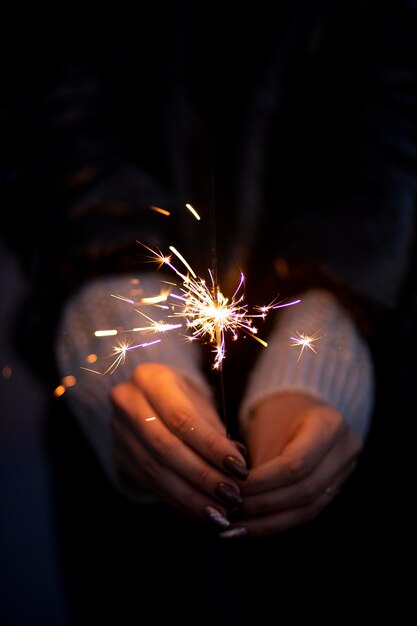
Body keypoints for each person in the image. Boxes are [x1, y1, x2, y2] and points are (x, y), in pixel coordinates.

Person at [2, 2, 416, 623]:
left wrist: (330, 331)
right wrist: (112, 306)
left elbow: (399, 91)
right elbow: (31, 79)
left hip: (378, 442)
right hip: (119, 500)